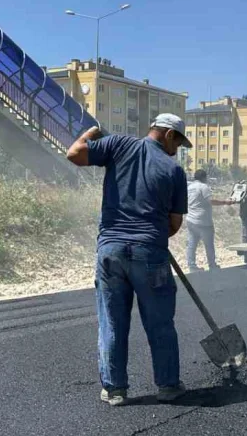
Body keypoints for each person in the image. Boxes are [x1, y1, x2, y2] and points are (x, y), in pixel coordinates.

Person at [66, 114, 191, 406]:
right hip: (150, 252)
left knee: (112, 321)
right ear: (169, 134)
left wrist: (92, 132)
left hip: (110, 251)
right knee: (160, 322)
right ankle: (168, 386)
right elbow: (174, 224)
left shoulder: (118, 145)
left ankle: (115, 390)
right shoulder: (173, 170)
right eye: (179, 142)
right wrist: (151, 237)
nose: (178, 149)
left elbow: (74, 153)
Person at [185, 169, 236, 272]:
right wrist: (225, 202)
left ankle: (192, 266)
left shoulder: (189, 187)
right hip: (203, 221)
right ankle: (212, 265)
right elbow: (210, 201)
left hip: (190, 220)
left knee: (191, 244)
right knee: (209, 244)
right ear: (204, 177)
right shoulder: (203, 187)